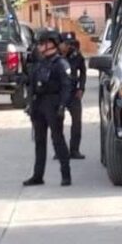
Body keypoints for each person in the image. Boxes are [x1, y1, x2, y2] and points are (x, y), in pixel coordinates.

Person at [23, 30, 73, 187]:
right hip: (39, 104)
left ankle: (66, 175)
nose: (39, 47)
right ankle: (38, 176)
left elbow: (66, 87)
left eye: (41, 43)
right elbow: (32, 85)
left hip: (53, 103)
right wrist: (30, 104)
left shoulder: (61, 64)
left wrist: (62, 106)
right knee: (39, 141)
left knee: (57, 140)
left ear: (50, 44)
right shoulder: (40, 63)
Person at [59, 32, 87, 159]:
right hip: (58, 93)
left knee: (77, 122)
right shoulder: (54, 56)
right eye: (66, 43)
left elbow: (83, 72)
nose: (68, 46)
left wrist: (81, 88)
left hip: (73, 93)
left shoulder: (76, 55)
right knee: (57, 122)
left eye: (70, 44)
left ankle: (74, 150)